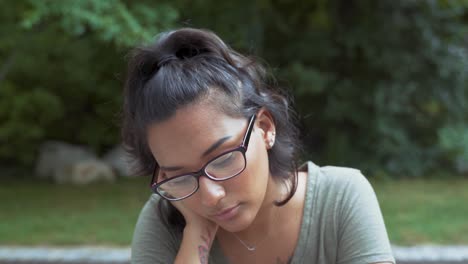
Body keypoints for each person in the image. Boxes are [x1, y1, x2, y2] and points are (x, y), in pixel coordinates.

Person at [122, 27, 395, 264]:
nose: (210, 197)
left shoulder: (340, 199)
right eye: (179, 177)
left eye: (224, 159)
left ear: (265, 128)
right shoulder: (164, 220)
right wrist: (195, 238)